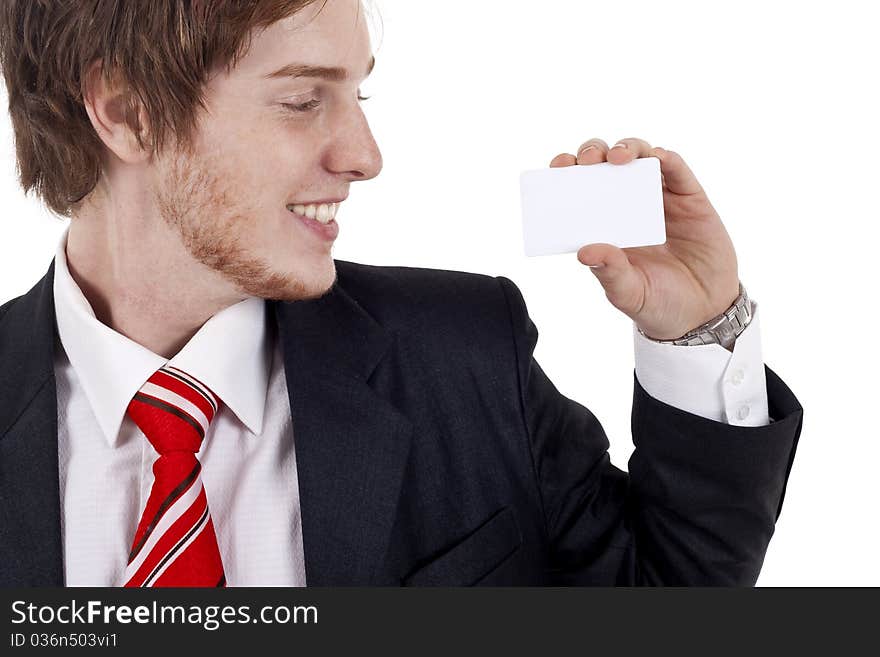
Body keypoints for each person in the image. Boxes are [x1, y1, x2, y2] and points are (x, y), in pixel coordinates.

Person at [0, 0, 802, 587]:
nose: (365, 154)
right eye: (303, 99)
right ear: (124, 110)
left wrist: (700, 326)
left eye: (359, 96)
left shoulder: (465, 357)